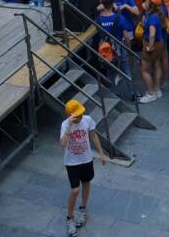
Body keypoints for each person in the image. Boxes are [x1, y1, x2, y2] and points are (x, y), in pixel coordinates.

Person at [60, 98, 107, 237]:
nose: (80, 117)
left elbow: (93, 136)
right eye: (77, 115)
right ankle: (70, 218)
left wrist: (101, 153)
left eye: (81, 113)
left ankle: (82, 209)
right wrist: (69, 127)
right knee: (75, 190)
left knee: (86, 183)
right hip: (72, 162)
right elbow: (63, 145)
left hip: (86, 159)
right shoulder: (65, 125)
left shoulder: (87, 120)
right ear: (70, 115)